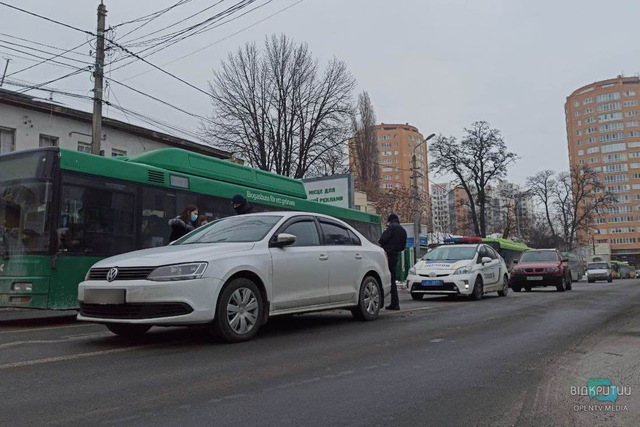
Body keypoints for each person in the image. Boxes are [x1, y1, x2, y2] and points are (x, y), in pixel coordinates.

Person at [378, 213, 407, 310]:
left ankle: (386, 302)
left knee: (383, 278)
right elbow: (403, 247)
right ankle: (395, 303)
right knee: (392, 279)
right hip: (395, 256)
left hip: (387, 255)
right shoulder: (403, 230)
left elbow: (382, 240)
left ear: (390, 220)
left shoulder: (391, 227)